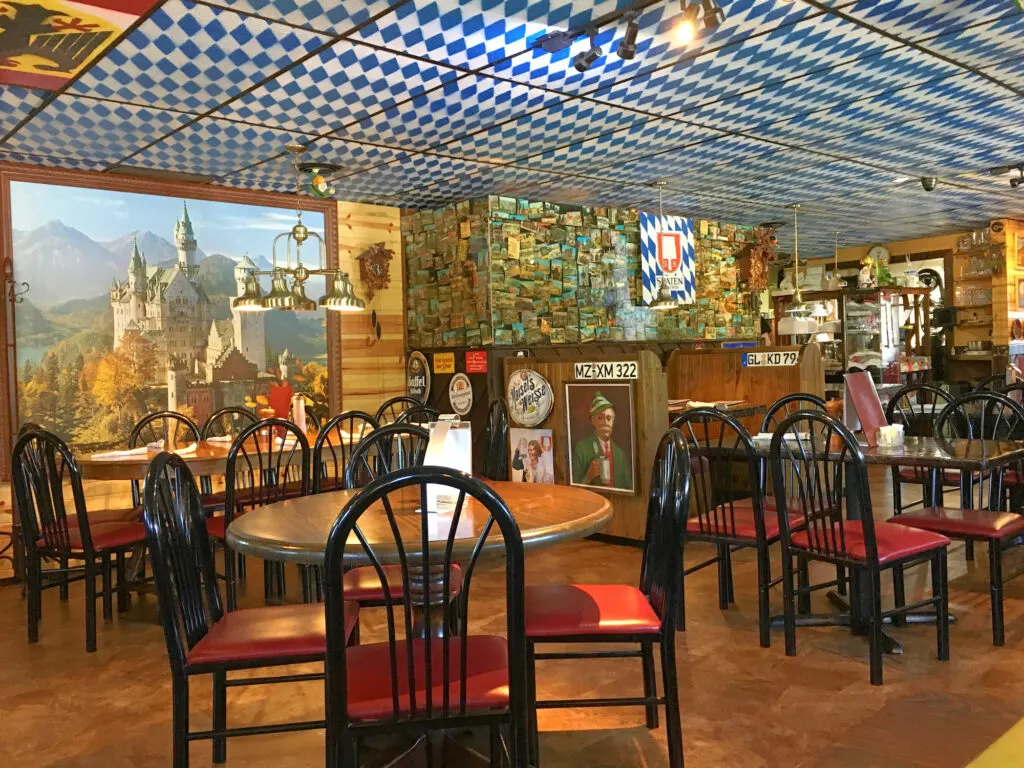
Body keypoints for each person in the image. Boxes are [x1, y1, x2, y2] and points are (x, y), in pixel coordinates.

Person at [571, 391, 630, 490]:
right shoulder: (582, 448)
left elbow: (627, 487)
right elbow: (573, 491)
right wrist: (588, 476)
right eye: (600, 418)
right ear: (592, 421)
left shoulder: (620, 454)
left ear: (613, 422)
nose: (605, 423)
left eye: (608, 418)